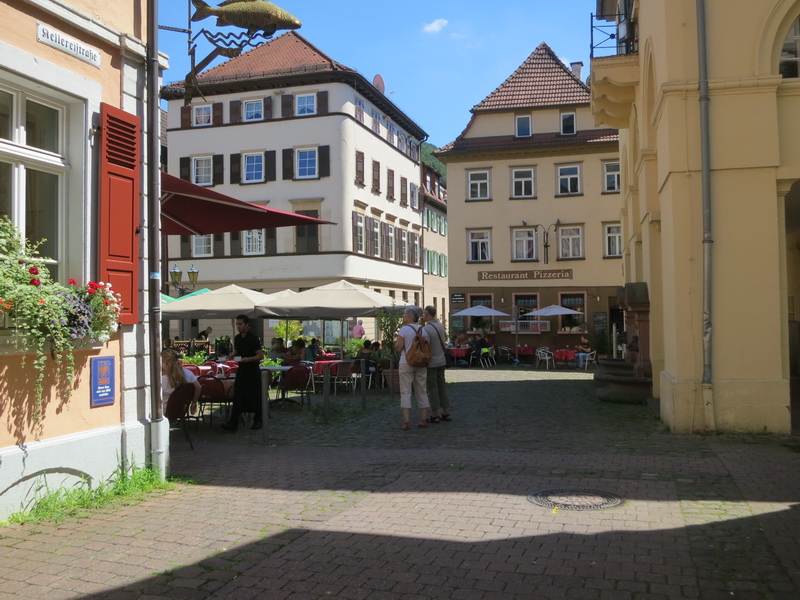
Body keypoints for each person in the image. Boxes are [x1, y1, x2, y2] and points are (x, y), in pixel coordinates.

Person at [222, 314, 264, 431]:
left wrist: (248, 359)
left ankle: (258, 420)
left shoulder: (253, 338)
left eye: (240, 324)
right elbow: (237, 351)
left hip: (252, 371)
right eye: (237, 324)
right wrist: (231, 356)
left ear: (247, 325)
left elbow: (260, 355)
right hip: (242, 371)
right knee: (238, 396)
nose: (238, 326)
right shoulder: (237, 338)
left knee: (255, 395)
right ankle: (233, 422)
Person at [394, 307, 430, 430]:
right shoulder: (423, 330)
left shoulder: (404, 330)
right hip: (421, 363)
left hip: (406, 362)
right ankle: (424, 419)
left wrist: (397, 345)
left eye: (405, 315)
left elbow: (398, 347)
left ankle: (406, 421)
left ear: (410, 316)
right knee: (422, 391)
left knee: (406, 391)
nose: (403, 316)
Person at [422, 305, 451, 423]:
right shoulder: (440, 326)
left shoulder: (426, 329)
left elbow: (425, 345)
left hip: (432, 362)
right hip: (442, 360)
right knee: (442, 386)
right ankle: (445, 411)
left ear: (428, 314)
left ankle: (435, 414)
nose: (422, 316)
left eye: (424, 313)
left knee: (432, 388)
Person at [161, 348, 201, 413]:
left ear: (165, 363)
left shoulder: (162, 380)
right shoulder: (187, 373)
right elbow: (198, 387)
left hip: (163, 411)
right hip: (181, 409)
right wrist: (194, 402)